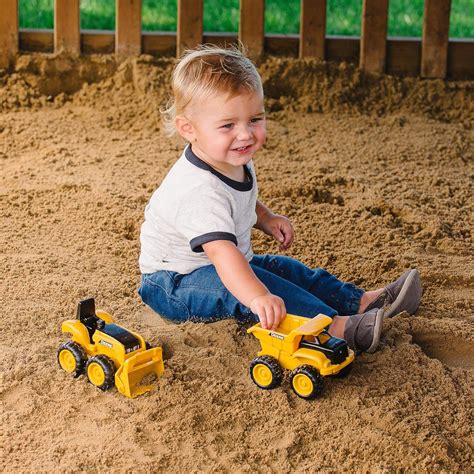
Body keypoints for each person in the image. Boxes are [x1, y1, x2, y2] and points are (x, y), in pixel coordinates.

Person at [138, 45, 422, 354]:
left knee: (283, 269)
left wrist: (266, 218)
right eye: (228, 125)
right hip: (175, 285)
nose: (245, 134)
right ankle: (333, 328)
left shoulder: (232, 157)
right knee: (263, 288)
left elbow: (235, 201)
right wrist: (258, 296)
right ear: (188, 129)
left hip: (218, 263)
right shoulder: (198, 190)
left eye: (255, 119)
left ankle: (360, 301)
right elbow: (221, 253)